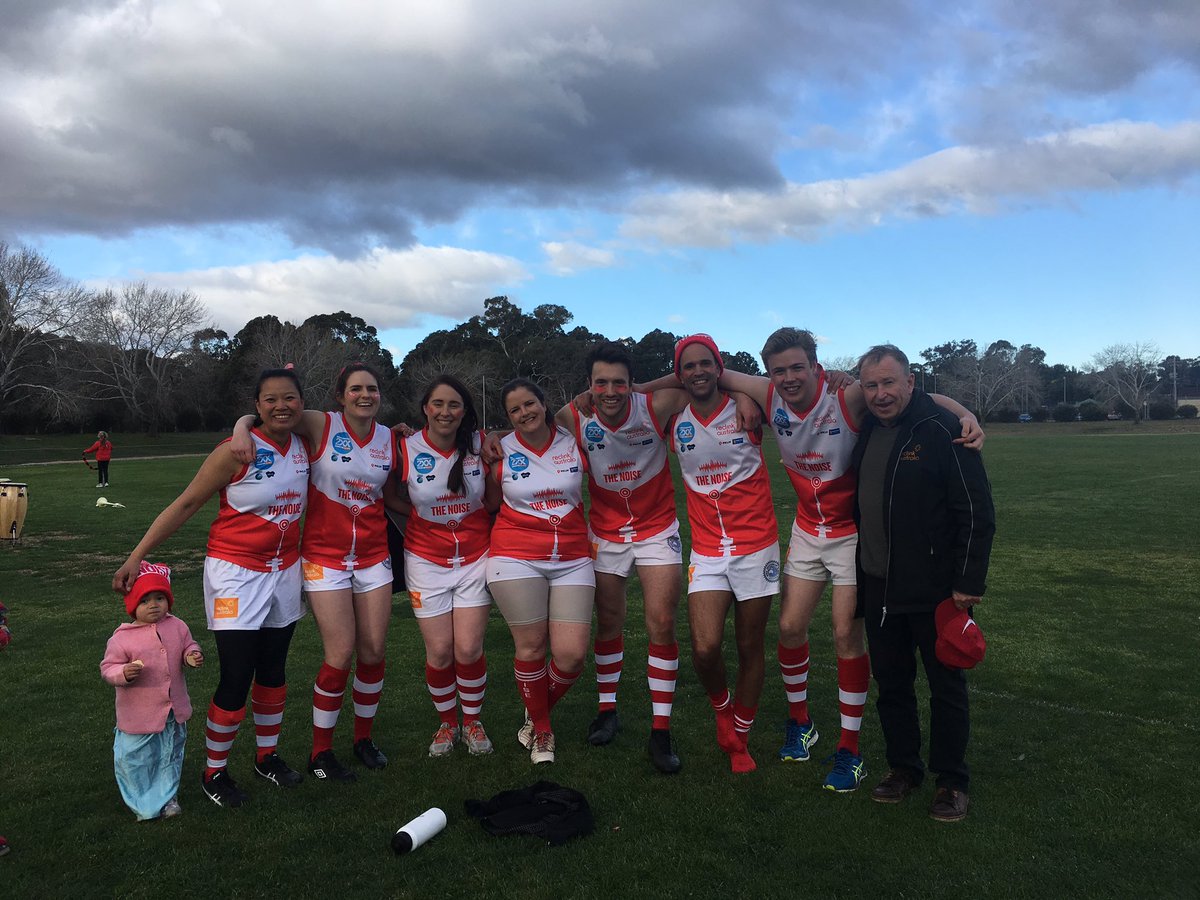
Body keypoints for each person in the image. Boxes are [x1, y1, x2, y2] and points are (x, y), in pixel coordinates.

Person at [717, 327, 984, 792]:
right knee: (789, 628)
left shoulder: (849, 396)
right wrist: (742, 396)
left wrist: (966, 414)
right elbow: (708, 372)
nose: (788, 377)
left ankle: (850, 749)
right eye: (778, 370)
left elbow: (922, 397)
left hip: (851, 536)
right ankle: (801, 724)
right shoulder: (768, 393)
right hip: (807, 529)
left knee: (846, 634)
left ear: (815, 366)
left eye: (797, 367)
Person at [114, 368, 310, 808]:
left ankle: (266, 757)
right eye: (270, 399)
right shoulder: (235, 451)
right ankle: (214, 771)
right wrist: (136, 555)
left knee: (274, 670)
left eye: (290, 398)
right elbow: (186, 503)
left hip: (285, 571)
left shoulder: (304, 444)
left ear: (301, 403)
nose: (281, 406)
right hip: (235, 573)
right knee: (237, 674)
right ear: (256, 406)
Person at [851, 344, 995, 822]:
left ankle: (952, 781)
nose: (880, 394)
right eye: (871, 385)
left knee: (945, 687)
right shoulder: (866, 429)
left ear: (911, 382)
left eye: (889, 382)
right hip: (879, 585)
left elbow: (976, 510)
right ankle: (903, 768)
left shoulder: (942, 429)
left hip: (935, 591)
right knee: (892, 686)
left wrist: (968, 581)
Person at [235, 363, 398, 782]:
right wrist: (240, 428)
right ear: (341, 396)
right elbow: (271, 413)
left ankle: (363, 739)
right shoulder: (321, 423)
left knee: (373, 652)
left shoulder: (390, 437)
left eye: (372, 388)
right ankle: (320, 752)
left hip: (374, 556)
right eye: (356, 389)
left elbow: (395, 493)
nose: (365, 395)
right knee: (339, 653)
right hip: (325, 556)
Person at [669, 334, 779, 774]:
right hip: (708, 549)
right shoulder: (673, 417)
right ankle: (722, 708)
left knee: (750, 644)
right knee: (705, 647)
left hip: (757, 544)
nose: (698, 371)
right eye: (688, 365)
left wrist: (741, 393)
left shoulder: (748, 408)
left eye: (706, 363)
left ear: (720, 367)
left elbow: (785, 393)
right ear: (679, 374)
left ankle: (741, 736)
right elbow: (631, 402)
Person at [385, 375, 500, 758]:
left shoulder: (481, 445)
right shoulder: (405, 448)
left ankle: (473, 721)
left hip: (475, 558)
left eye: (454, 404)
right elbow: (390, 497)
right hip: (425, 561)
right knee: (439, 652)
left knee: (468, 648)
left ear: (465, 411)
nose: (445, 412)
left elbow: (493, 500)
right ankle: (448, 723)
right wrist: (422, 517)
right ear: (425, 408)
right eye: (438, 404)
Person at [486, 378, 593, 765]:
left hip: (573, 557)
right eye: (514, 410)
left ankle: (534, 711)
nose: (524, 413)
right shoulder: (499, 451)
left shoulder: (572, 440)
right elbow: (489, 503)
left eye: (529, 404)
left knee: (571, 656)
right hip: (515, 556)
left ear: (544, 404)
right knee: (531, 647)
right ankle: (543, 731)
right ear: (507, 417)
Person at [101, 562, 203, 820]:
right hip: (139, 715)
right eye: (145, 600)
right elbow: (108, 667)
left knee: (169, 754)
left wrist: (191, 655)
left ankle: (168, 798)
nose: (154, 605)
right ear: (132, 605)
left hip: (172, 712)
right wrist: (122, 673)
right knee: (135, 759)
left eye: (160, 598)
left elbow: (188, 644)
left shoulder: (177, 626)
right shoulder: (122, 638)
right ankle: (143, 802)